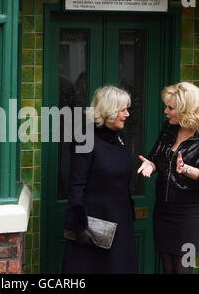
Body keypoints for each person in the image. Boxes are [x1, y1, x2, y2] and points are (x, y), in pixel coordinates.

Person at [137, 82, 199, 274]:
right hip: (164, 211)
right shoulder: (170, 127)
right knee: (168, 267)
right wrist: (150, 164)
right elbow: (156, 156)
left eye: (171, 108)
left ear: (186, 109)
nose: (166, 111)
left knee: (184, 267)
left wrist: (186, 169)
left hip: (191, 215)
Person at [62, 86, 138, 274]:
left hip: (121, 220)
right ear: (108, 110)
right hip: (94, 228)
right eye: (123, 110)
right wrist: (79, 226)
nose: (127, 114)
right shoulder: (85, 139)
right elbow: (76, 185)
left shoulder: (119, 137)